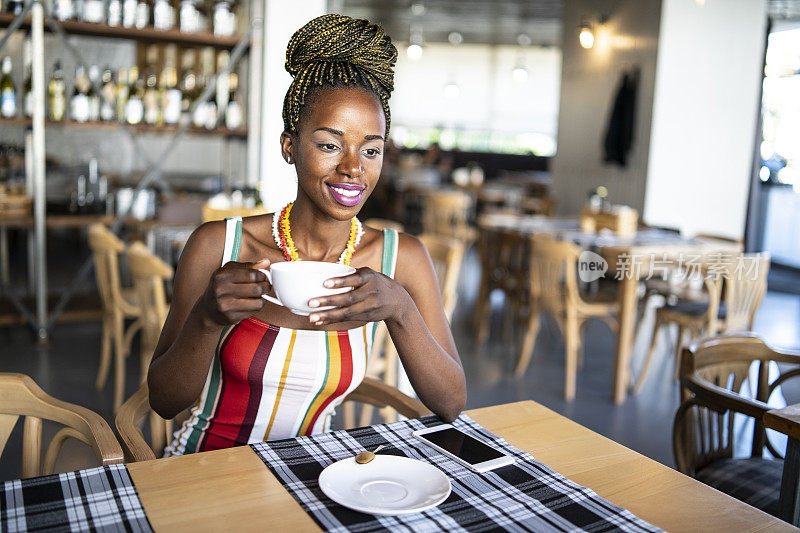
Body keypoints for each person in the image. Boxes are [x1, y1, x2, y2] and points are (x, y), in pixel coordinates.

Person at [147, 13, 466, 455]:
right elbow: (164, 402)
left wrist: (401, 310)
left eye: (371, 150)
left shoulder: (401, 258)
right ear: (289, 147)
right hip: (204, 468)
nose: (354, 168)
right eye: (330, 145)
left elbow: (451, 403)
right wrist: (206, 317)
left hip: (315, 477)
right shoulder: (218, 245)